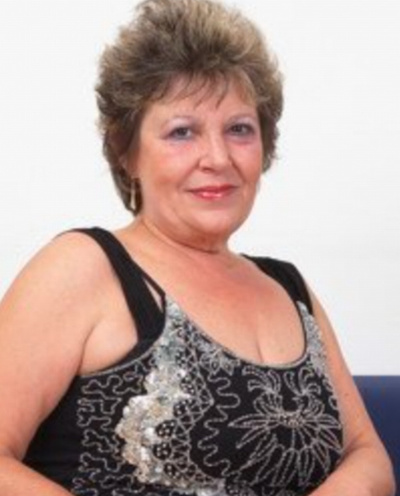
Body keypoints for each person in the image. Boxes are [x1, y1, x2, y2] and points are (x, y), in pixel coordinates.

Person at [0, 0, 395, 494]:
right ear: (126, 152)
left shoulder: (289, 287)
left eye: (239, 129)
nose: (217, 157)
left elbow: (367, 454)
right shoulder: (83, 267)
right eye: (182, 132)